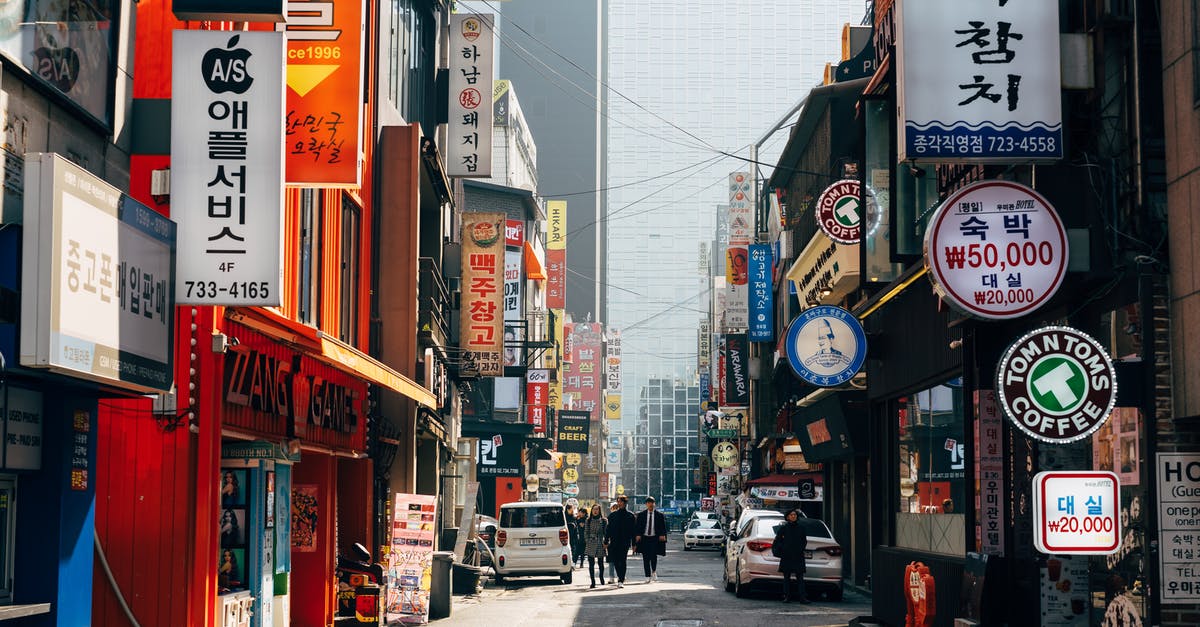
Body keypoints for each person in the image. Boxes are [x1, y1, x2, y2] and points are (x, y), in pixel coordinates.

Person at [772, 508, 809, 603]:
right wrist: (783, 549)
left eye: (795, 515)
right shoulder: (783, 529)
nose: (793, 516)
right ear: (787, 517)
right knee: (786, 577)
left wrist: (800, 549)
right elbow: (777, 541)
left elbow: (804, 541)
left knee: (800, 577)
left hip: (798, 555)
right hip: (787, 555)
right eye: (791, 515)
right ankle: (787, 596)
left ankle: (802, 597)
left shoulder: (801, 528)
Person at [634, 496, 668, 582]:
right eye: (648, 503)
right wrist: (637, 535)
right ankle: (647, 576)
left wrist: (663, 535)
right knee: (645, 557)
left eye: (652, 503)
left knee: (653, 556)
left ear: (654, 504)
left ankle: (654, 571)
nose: (650, 504)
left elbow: (663, 527)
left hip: (654, 538)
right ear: (646, 504)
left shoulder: (659, 515)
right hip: (644, 538)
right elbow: (638, 526)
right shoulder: (641, 515)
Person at [605, 495, 636, 588]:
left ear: (625, 503)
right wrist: (606, 541)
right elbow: (608, 529)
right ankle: (620, 576)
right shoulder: (612, 515)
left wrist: (634, 544)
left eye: (622, 502)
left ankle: (621, 579)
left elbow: (633, 531)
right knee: (615, 560)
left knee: (623, 560)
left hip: (625, 542)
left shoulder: (630, 516)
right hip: (614, 542)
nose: (620, 503)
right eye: (618, 501)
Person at [583, 503, 609, 588]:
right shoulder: (588, 520)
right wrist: (587, 541)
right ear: (591, 510)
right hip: (591, 542)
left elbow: (606, 533)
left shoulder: (604, 520)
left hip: (600, 542)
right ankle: (593, 581)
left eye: (597, 509)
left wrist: (606, 542)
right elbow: (586, 532)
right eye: (594, 509)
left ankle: (601, 577)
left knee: (601, 563)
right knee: (591, 564)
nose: (595, 511)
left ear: (599, 510)